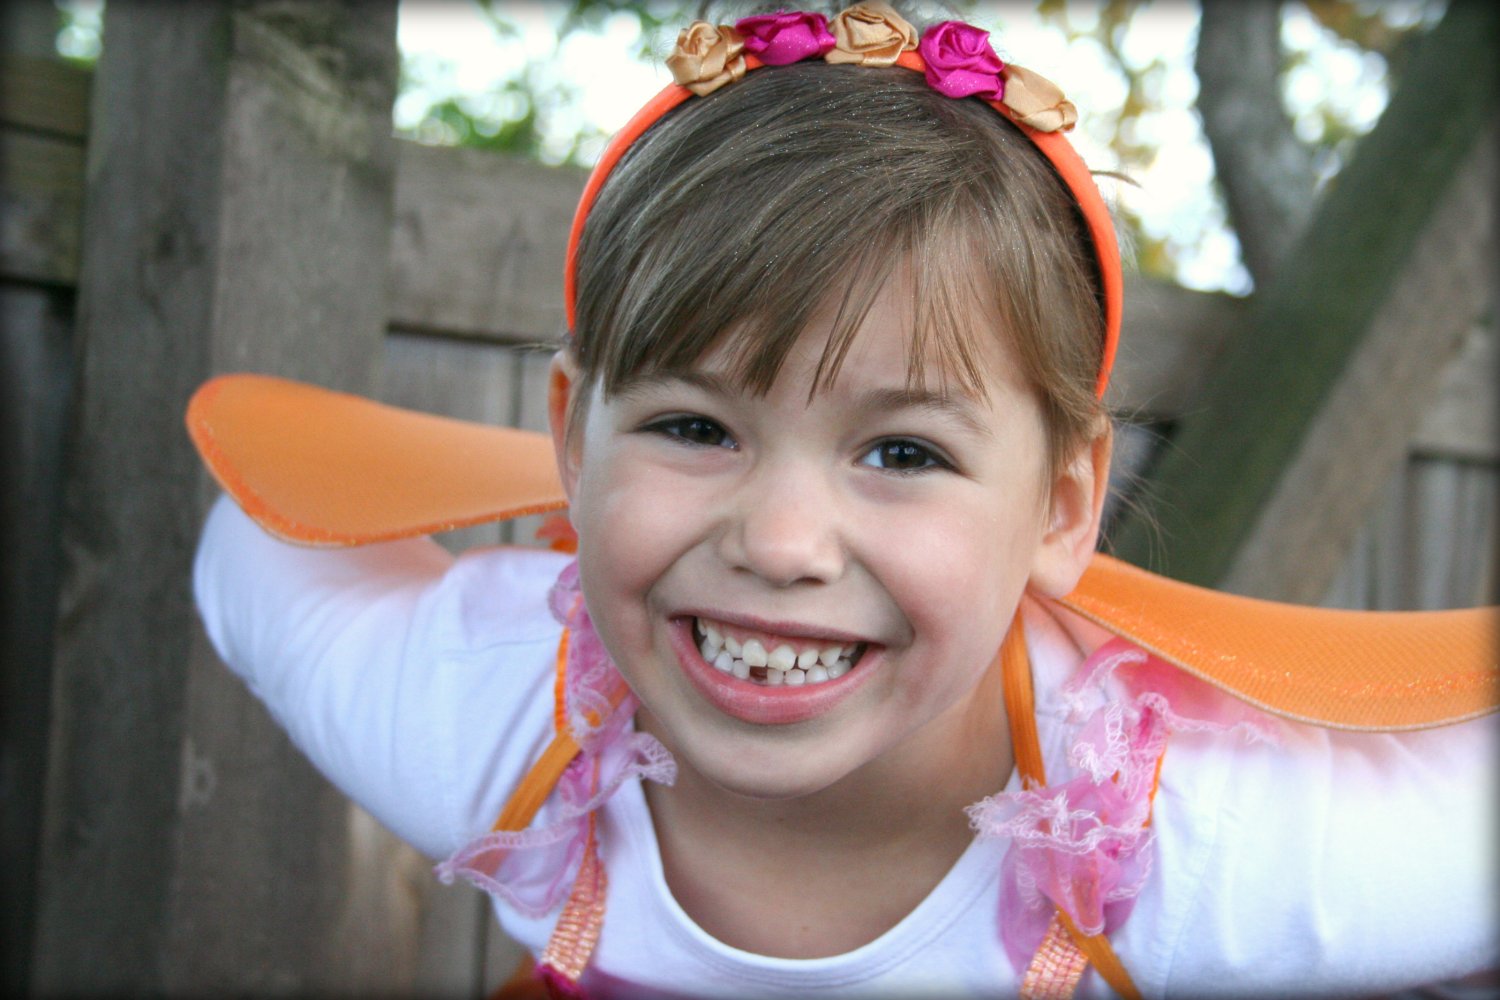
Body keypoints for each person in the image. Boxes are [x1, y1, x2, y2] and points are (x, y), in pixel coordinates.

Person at [188, 4, 1498, 998]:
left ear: (1060, 508)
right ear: (572, 436)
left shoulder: (1196, 847)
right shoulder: (490, 707)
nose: (779, 543)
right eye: (693, 427)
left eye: (904, 454)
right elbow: (254, 541)